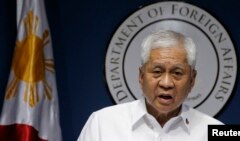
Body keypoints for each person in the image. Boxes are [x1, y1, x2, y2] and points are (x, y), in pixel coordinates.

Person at [77, 30, 223, 141]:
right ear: (141, 76)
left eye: (177, 73)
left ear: (192, 79)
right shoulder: (101, 123)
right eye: (157, 71)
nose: (166, 83)